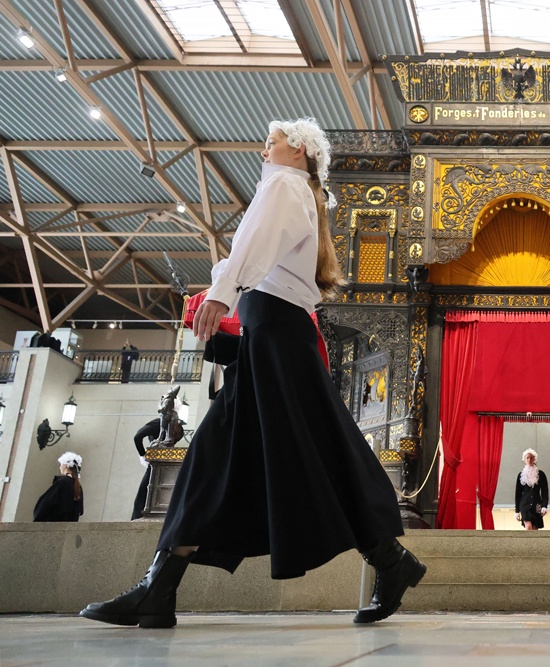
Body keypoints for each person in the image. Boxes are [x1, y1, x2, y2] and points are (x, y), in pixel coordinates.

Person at [80, 118, 424, 629]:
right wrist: (228, 296)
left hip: (276, 334)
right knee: (226, 454)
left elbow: (255, 245)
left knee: (302, 452)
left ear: (299, 148)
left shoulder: (284, 185)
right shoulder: (294, 189)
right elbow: (257, 255)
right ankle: (159, 587)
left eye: (273, 141)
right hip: (272, 335)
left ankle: (390, 560)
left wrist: (222, 294)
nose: (265, 149)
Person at [33, 452, 84, 522]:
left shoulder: (62, 482)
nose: (60, 467)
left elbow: (47, 503)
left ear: (66, 465)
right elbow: (80, 510)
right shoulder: (78, 487)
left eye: (61, 464)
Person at [131, 418, 160, 520]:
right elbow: (138, 437)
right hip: (155, 462)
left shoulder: (170, 424)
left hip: (162, 463)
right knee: (145, 493)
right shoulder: (159, 423)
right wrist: (143, 455)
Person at [514, 448, 548, 530]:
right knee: (528, 526)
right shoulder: (521, 475)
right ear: (524, 459)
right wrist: (517, 511)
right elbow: (518, 494)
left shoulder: (541, 474)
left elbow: (545, 492)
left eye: (531, 458)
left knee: (535, 528)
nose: (529, 460)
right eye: (527, 458)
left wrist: (544, 506)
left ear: (534, 459)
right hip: (524, 504)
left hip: (537, 504)